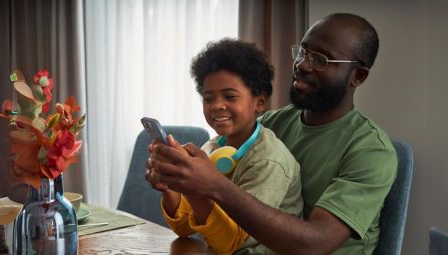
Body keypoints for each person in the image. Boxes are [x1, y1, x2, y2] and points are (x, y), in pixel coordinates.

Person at [147, 13, 396, 254]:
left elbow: (314, 244)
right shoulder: (271, 123)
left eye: (320, 60)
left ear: (358, 76)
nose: (302, 65)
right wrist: (179, 180)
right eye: (302, 52)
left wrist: (214, 185)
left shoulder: (371, 151)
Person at [152, 38, 303, 255]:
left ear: (260, 102)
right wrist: (170, 187)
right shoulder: (211, 147)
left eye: (230, 96)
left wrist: (196, 188)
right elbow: (183, 228)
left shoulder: (268, 161)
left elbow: (232, 243)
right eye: (208, 98)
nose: (217, 106)